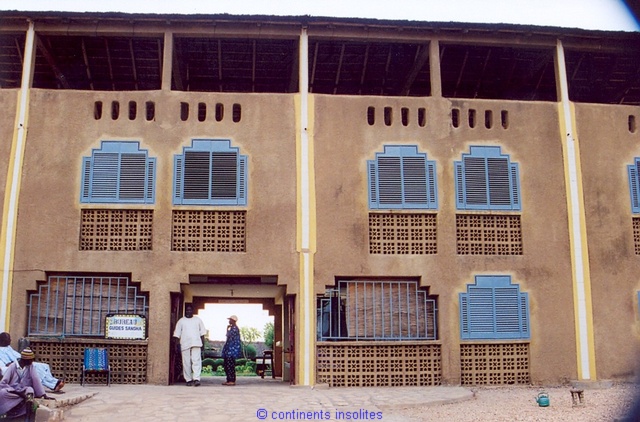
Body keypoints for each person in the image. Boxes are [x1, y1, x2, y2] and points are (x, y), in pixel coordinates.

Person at [0, 348, 53, 418]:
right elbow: (3, 383)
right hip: (12, 390)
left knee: (30, 391)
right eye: (30, 360)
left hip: (24, 390)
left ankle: (27, 417)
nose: (32, 361)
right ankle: (5, 415)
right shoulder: (13, 366)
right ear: (25, 360)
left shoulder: (31, 367)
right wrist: (17, 392)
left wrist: (43, 394)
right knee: (3, 392)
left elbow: (35, 379)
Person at [172, 304, 206, 386]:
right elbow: (177, 335)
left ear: (193, 311)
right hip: (185, 343)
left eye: (190, 310)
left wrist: (203, 344)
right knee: (186, 362)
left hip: (196, 343)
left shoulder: (198, 320)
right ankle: (188, 379)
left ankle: (196, 379)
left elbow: (202, 334)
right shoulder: (181, 321)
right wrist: (176, 346)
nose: (189, 311)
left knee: (196, 361)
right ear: (185, 311)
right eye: (187, 310)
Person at [221, 315, 242, 386]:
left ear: (233, 321)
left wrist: (227, 329)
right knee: (227, 365)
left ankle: (232, 380)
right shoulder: (233, 328)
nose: (229, 321)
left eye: (230, 320)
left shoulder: (234, 328)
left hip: (232, 350)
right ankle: (228, 379)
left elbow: (228, 336)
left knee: (230, 365)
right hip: (229, 349)